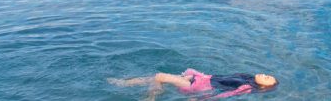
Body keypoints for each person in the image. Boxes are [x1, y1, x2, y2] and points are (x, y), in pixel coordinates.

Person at [107, 68, 278, 100]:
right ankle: (125, 83)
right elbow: (220, 78)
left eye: (268, 78)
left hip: (199, 87)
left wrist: (203, 99)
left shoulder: (247, 87)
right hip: (199, 79)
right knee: (154, 77)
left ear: (264, 86)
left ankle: (151, 97)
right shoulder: (247, 78)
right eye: (269, 75)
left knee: (159, 76)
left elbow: (226, 94)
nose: (266, 75)